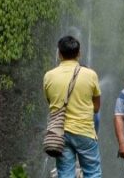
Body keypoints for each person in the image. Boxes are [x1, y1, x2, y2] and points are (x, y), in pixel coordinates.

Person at [44, 35, 103, 178]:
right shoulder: (90, 74)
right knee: (93, 173)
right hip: (85, 131)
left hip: (60, 133)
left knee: (65, 174)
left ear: (59, 53)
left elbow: (51, 102)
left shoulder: (49, 76)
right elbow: (96, 107)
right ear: (79, 53)